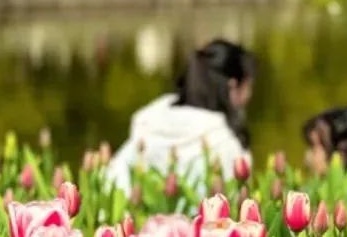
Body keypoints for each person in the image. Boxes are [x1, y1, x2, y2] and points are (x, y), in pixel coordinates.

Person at [109, 39, 255, 191]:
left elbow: (114, 182)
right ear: (232, 86)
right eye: (248, 86)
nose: (249, 95)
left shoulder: (145, 128)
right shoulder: (226, 142)